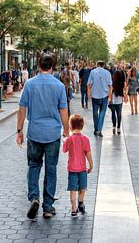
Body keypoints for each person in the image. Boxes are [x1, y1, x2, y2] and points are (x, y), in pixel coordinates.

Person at [16, 52, 69, 219]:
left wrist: (19, 130)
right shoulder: (59, 86)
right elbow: (63, 110)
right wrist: (66, 130)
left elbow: (22, 108)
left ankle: (34, 197)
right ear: (52, 67)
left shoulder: (30, 84)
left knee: (34, 166)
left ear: (39, 66)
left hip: (35, 132)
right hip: (53, 133)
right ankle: (48, 206)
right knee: (51, 169)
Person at [62, 114, 93, 217]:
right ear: (82, 125)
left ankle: (74, 208)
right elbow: (88, 153)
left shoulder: (69, 139)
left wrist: (64, 140)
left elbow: (64, 150)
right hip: (82, 168)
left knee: (73, 189)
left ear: (70, 125)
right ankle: (81, 201)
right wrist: (91, 165)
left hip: (72, 169)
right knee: (83, 187)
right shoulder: (85, 139)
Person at [87, 60, 113, 136]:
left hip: (95, 95)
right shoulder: (107, 73)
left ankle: (96, 129)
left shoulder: (93, 72)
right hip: (104, 95)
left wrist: (89, 94)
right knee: (102, 112)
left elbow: (88, 84)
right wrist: (110, 97)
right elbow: (110, 86)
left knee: (95, 113)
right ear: (104, 65)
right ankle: (99, 129)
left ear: (97, 64)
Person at [110, 65, 126, 134]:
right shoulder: (122, 83)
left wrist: (109, 99)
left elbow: (110, 90)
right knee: (119, 114)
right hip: (120, 99)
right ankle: (118, 128)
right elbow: (124, 90)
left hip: (113, 98)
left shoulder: (112, 82)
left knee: (113, 113)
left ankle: (114, 127)